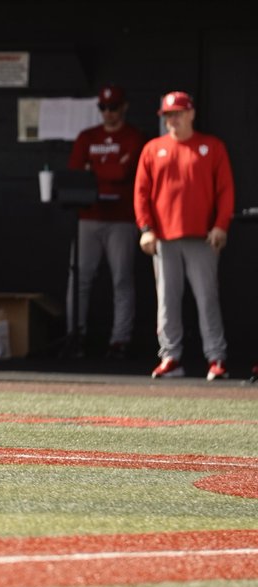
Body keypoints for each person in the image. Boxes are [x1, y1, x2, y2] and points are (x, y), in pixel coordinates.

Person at [135, 91, 234, 380]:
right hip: (164, 237)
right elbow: (141, 193)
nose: (173, 119)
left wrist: (220, 225)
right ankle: (170, 357)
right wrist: (146, 229)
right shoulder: (153, 149)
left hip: (202, 236)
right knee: (167, 300)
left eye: (177, 113)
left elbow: (225, 190)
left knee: (207, 298)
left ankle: (216, 357)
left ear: (191, 114)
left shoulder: (211, 146)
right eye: (168, 115)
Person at [66, 84, 144, 359]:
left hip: (122, 218)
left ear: (124, 107)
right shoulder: (87, 137)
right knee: (80, 278)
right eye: (103, 108)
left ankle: (120, 339)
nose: (108, 113)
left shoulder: (134, 136)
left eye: (113, 107)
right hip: (89, 216)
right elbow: (77, 173)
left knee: (122, 279)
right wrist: (108, 169)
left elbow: (124, 171)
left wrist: (95, 169)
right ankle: (75, 335)